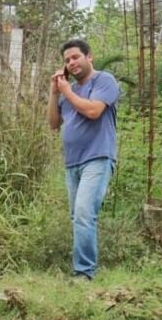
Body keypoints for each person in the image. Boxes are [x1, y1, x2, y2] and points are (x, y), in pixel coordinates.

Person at [47, 38, 120, 281]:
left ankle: (84, 273)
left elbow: (93, 111)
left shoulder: (104, 80)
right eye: (67, 60)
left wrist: (66, 91)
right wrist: (54, 91)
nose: (71, 63)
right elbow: (54, 123)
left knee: (84, 213)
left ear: (89, 57)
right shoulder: (70, 91)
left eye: (76, 57)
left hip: (97, 157)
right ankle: (83, 269)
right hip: (73, 163)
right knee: (77, 216)